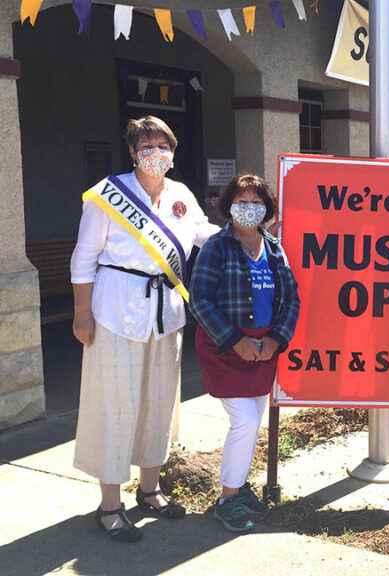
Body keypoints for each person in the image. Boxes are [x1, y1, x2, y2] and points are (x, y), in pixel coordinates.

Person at [71, 116, 219, 542]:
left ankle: (150, 489)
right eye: (146, 146)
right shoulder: (108, 195)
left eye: (163, 146)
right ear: (133, 153)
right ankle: (110, 504)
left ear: (173, 154)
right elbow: (84, 258)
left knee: (158, 403)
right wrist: (82, 314)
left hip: (165, 313)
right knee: (115, 406)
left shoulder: (181, 194)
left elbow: (200, 235)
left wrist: (245, 232)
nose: (155, 153)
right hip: (115, 309)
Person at [189, 174, 300, 532]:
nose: (249, 209)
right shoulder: (216, 247)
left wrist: (275, 340)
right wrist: (236, 340)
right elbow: (200, 300)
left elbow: (291, 298)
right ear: (228, 206)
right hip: (226, 349)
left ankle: (238, 488)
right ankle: (226, 500)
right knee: (246, 421)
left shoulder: (273, 247)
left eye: (256, 202)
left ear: (266, 208)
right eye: (242, 201)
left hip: (263, 351)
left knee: (251, 423)